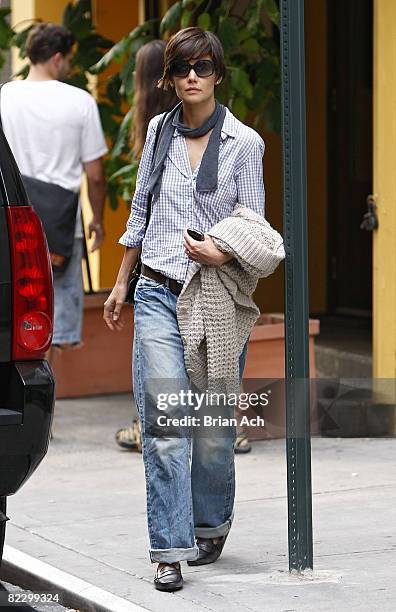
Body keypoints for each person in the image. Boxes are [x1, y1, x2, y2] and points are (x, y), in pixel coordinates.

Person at [103, 27, 266, 591]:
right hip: (156, 292)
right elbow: (140, 210)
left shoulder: (245, 143)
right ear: (170, 79)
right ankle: (168, 549)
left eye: (201, 66)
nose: (191, 76)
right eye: (180, 68)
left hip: (216, 299)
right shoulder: (159, 132)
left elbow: (254, 227)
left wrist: (220, 250)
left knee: (214, 432)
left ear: (217, 74)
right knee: (167, 425)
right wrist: (122, 281)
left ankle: (209, 521)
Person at [1, 23, 107, 363]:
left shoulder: (4, 96)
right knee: (54, 322)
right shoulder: (80, 102)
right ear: (57, 58)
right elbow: (95, 175)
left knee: (13, 305)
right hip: (62, 227)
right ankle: (49, 399)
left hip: (12, 219)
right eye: (69, 60)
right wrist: (98, 222)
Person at [115, 39, 178, 452]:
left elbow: (142, 205)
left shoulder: (155, 125)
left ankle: (144, 424)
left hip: (159, 255)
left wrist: (124, 277)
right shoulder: (174, 122)